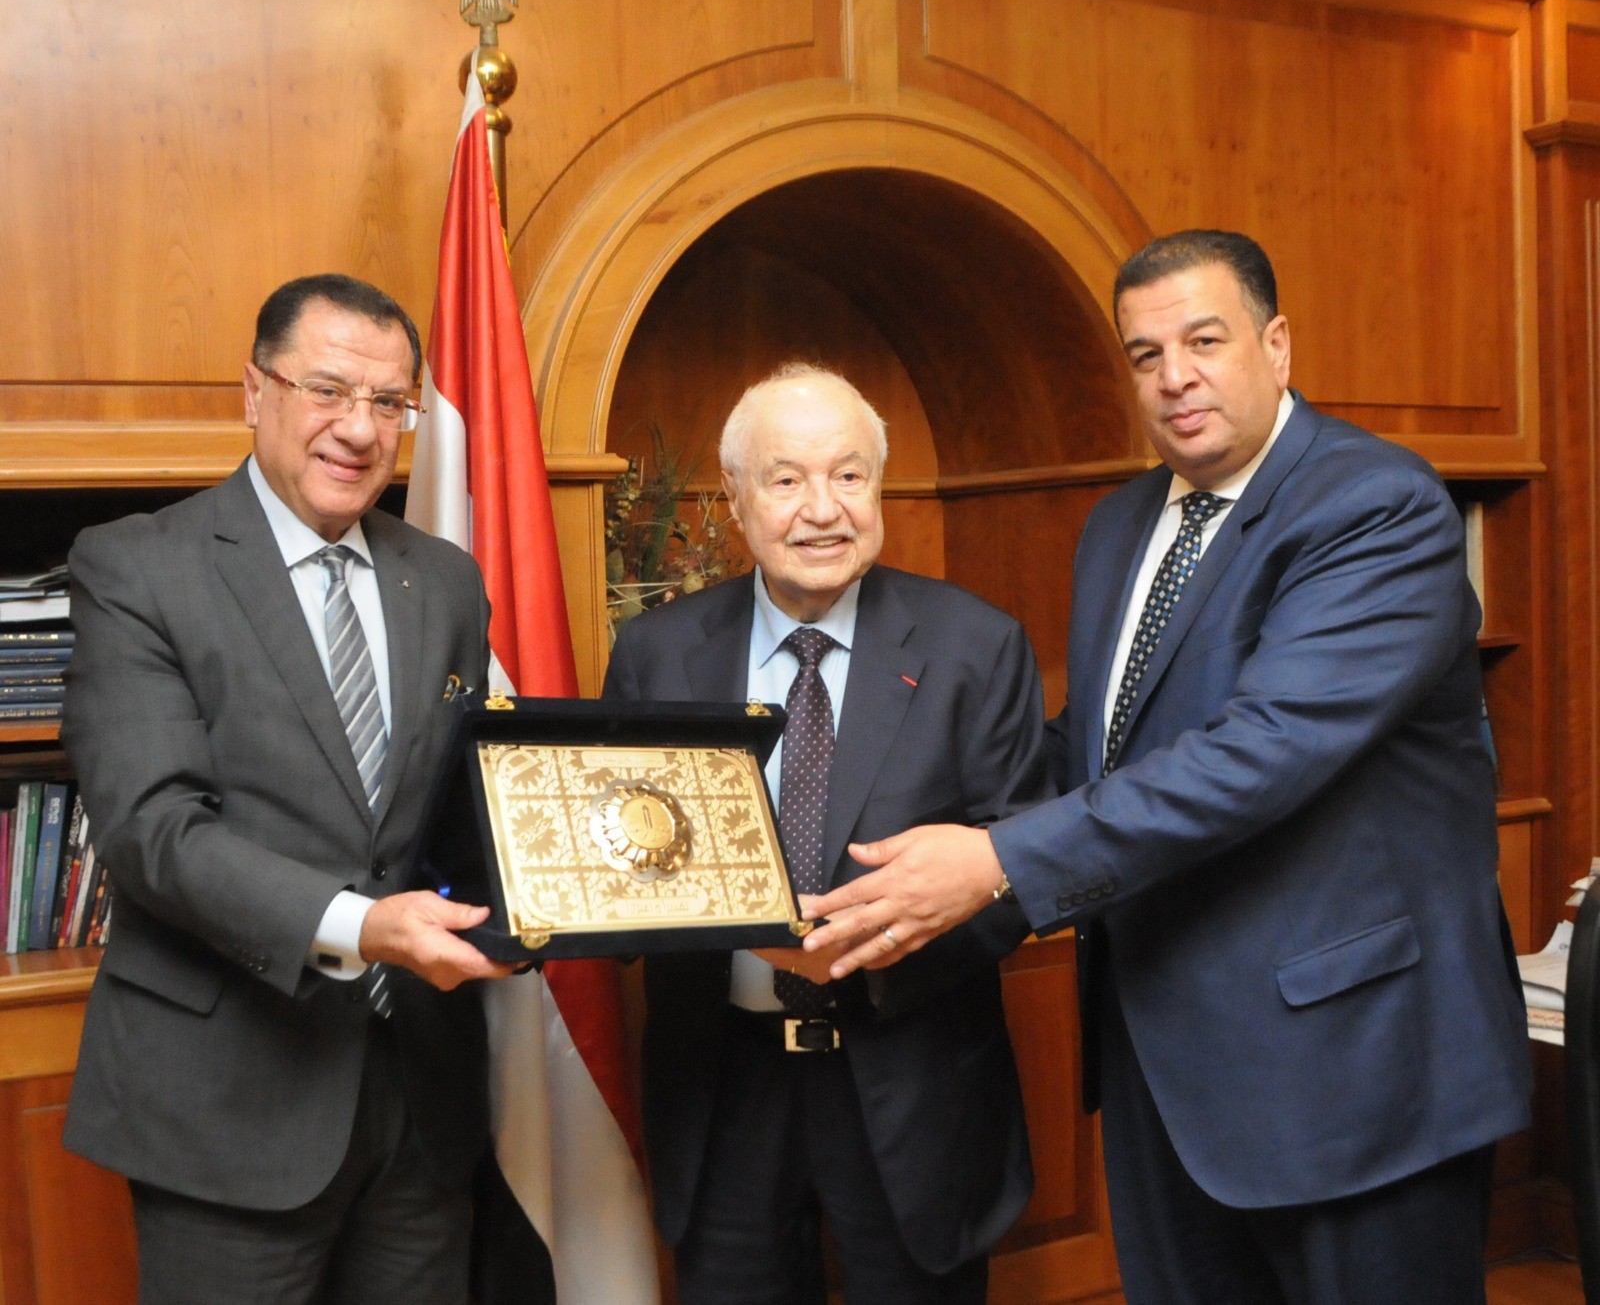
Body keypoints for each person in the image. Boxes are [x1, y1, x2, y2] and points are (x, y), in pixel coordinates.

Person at [802, 232, 1534, 1303]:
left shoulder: (1374, 506)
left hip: (1356, 1069)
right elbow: (1096, 749)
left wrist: (995, 861)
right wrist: (888, 860)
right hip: (1165, 1066)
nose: (1174, 376)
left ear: (1276, 346)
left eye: (1204, 341)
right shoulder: (1119, 524)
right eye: (1145, 355)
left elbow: (1260, 751)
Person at [61, 274, 518, 1304]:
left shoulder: (445, 579)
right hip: (228, 1099)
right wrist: (364, 926)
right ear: (255, 390)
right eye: (327, 390)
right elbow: (153, 830)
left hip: (421, 1098)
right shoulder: (138, 568)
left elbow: (468, 800)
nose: (359, 429)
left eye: (389, 402)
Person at [602, 362, 1048, 1304]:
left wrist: (872, 943)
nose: (823, 508)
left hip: (914, 1088)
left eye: (849, 475)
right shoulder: (658, 652)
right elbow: (620, 860)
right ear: (734, 499)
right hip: (724, 1090)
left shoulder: (976, 647)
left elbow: (1021, 874)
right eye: (787, 478)